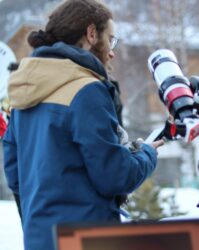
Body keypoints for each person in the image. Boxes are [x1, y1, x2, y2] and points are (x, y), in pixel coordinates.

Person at [2, 1, 163, 249]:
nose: (112, 51)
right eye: (111, 40)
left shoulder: (23, 91)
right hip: (88, 239)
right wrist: (148, 153)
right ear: (90, 34)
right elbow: (114, 175)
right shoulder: (87, 91)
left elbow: (15, 175)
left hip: (39, 239)